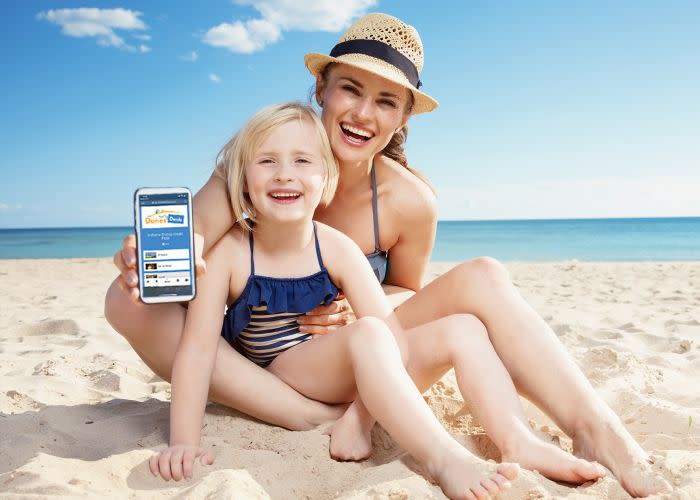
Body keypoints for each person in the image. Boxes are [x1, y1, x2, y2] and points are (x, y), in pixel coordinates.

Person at [106, 13, 670, 497]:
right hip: (251, 360)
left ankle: (591, 425)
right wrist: (138, 260)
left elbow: (405, 298)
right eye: (350, 89)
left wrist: (355, 310)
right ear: (321, 88)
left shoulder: (405, 201)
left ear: (403, 117)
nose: (363, 114)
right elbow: (185, 257)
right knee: (124, 301)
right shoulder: (262, 161)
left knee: (483, 278)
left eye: (386, 101)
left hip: (355, 357)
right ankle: (311, 417)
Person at [145, 101, 521, 499]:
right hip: (283, 374)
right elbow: (198, 350)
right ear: (242, 179)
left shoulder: (337, 248)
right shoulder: (230, 254)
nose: (285, 175)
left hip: (347, 371)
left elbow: (395, 342)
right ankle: (443, 459)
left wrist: (361, 414)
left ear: (327, 177)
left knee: (462, 328)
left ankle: (517, 439)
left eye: (302, 161)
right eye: (267, 161)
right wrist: (183, 441)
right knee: (369, 334)